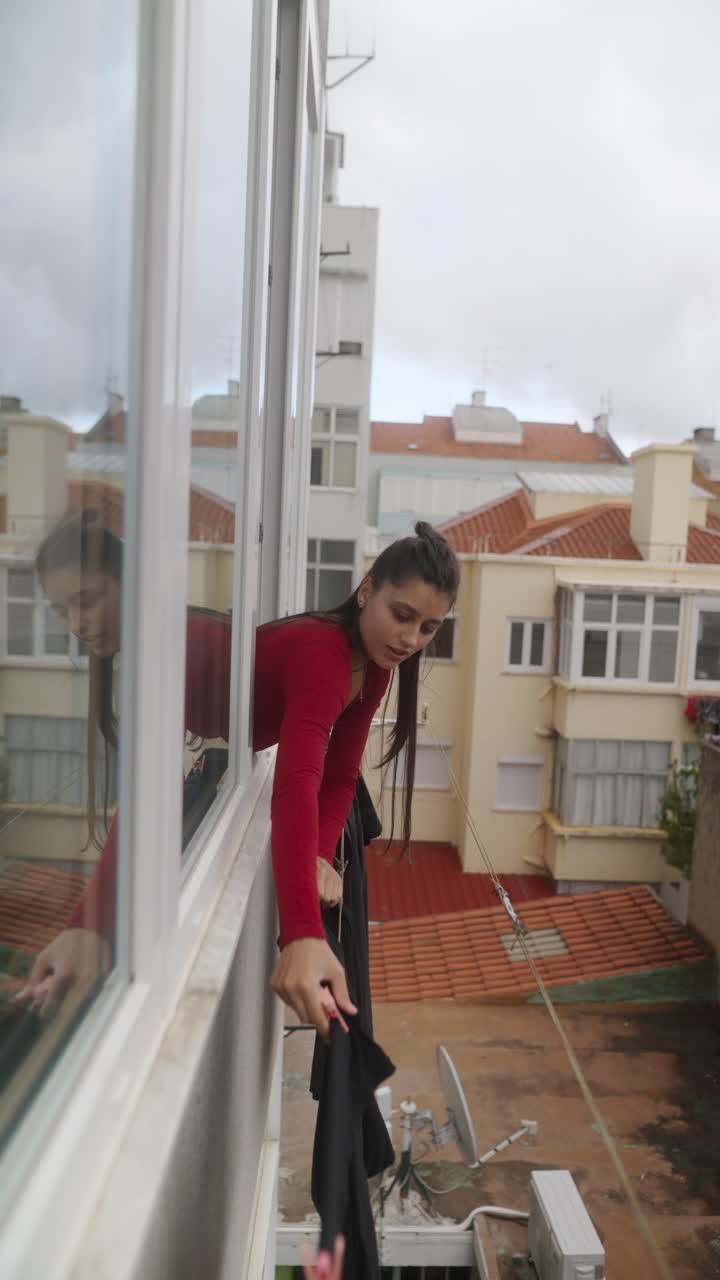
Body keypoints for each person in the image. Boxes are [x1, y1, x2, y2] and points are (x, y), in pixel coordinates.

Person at [17, 514, 459, 1038]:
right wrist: (300, 935)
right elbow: (167, 794)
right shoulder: (308, 656)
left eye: (428, 627)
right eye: (402, 615)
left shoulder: (367, 665)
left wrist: (318, 862)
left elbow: (334, 779)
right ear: (367, 591)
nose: (410, 638)